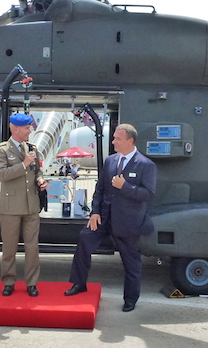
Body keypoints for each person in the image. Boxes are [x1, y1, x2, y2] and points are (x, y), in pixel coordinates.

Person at [64, 124, 156, 312]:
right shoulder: (110, 161)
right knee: (84, 241)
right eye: (113, 138)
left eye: (117, 139)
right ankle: (79, 283)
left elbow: (149, 194)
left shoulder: (146, 165)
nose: (113, 141)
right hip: (103, 218)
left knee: (131, 263)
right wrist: (95, 212)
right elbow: (100, 189)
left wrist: (126, 187)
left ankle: (130, 299)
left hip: (128, 223)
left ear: (130, 141)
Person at [0, 113, 48, 297]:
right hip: (10, 207)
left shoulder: (32, 148)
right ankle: (8, 281)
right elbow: (1, 175)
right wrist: (24, 164)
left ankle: (32, 283)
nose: (30, 131)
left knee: (32, 247)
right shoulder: (1, 150)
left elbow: (37, 171)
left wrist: (40, 181)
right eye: (27, 128)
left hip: (31, 205)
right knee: (9, 247)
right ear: (15, 129)